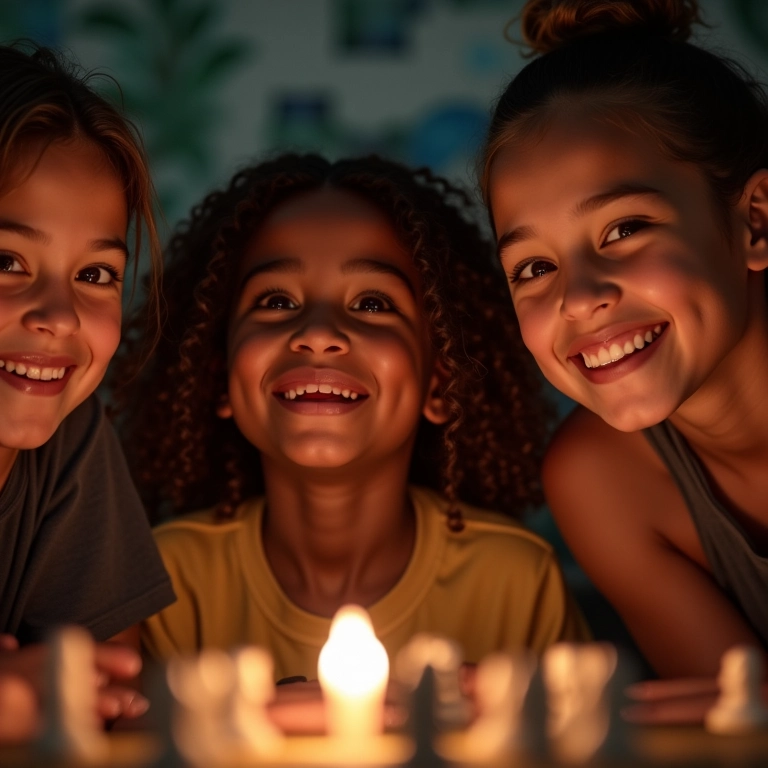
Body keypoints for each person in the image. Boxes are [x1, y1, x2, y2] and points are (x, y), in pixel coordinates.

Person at [112, 153, 589, 683]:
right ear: (217, 376)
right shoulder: (164, 580)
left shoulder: (517, 582)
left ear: (441, 383)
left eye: (372, 304)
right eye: (274, 300)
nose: (318, 332)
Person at [480, 0, 768, 706]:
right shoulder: (598, 480)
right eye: (533, 269)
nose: (578, 298)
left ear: (756, 223)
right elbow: (739, 726)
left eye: (623, 229)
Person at [0, 43, 175, 740]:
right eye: (7, 260)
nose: (61, 315)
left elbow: (105, 691)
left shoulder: (69, 439)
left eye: (96, 274)